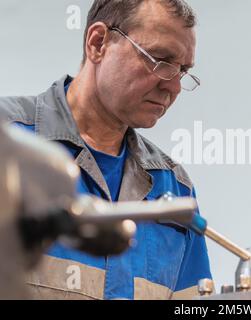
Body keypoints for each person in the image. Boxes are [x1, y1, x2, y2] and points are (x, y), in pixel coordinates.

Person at [0, 0, 211, 300]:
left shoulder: (174, 188)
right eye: (160, 60)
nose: (174, 87)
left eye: (183, 70)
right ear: (98, 43)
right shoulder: (8, 143)